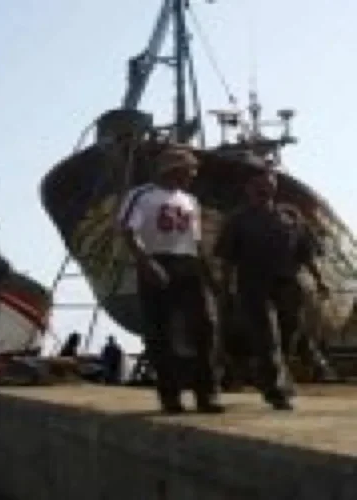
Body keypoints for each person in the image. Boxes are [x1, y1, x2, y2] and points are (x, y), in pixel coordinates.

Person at [117, 146, 223, 414]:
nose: (193, 176)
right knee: (159, 330)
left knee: (204, 326)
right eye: (189, 170)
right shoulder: (141, 195)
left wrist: (209, 275)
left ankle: (206, 392)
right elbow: (127, 231)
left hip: (188, 262)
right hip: (157, 260)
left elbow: (195, 240)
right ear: (173, 169)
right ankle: (170, 395)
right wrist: (146, 262)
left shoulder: (190, 201)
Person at [214, 169, 328, 410]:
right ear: (248, 189)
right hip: (254, 285)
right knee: (267, 336)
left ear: (274, 188)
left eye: (268, 185)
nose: (263, 190)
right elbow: (227, 258)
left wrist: (319, 280)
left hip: (287, 285)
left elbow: (306, 251)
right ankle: (275, 391)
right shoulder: (238, 220)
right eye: (258, 186)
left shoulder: (290, 216)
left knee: (288, 335)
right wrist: (224, 290)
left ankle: (275, 378)